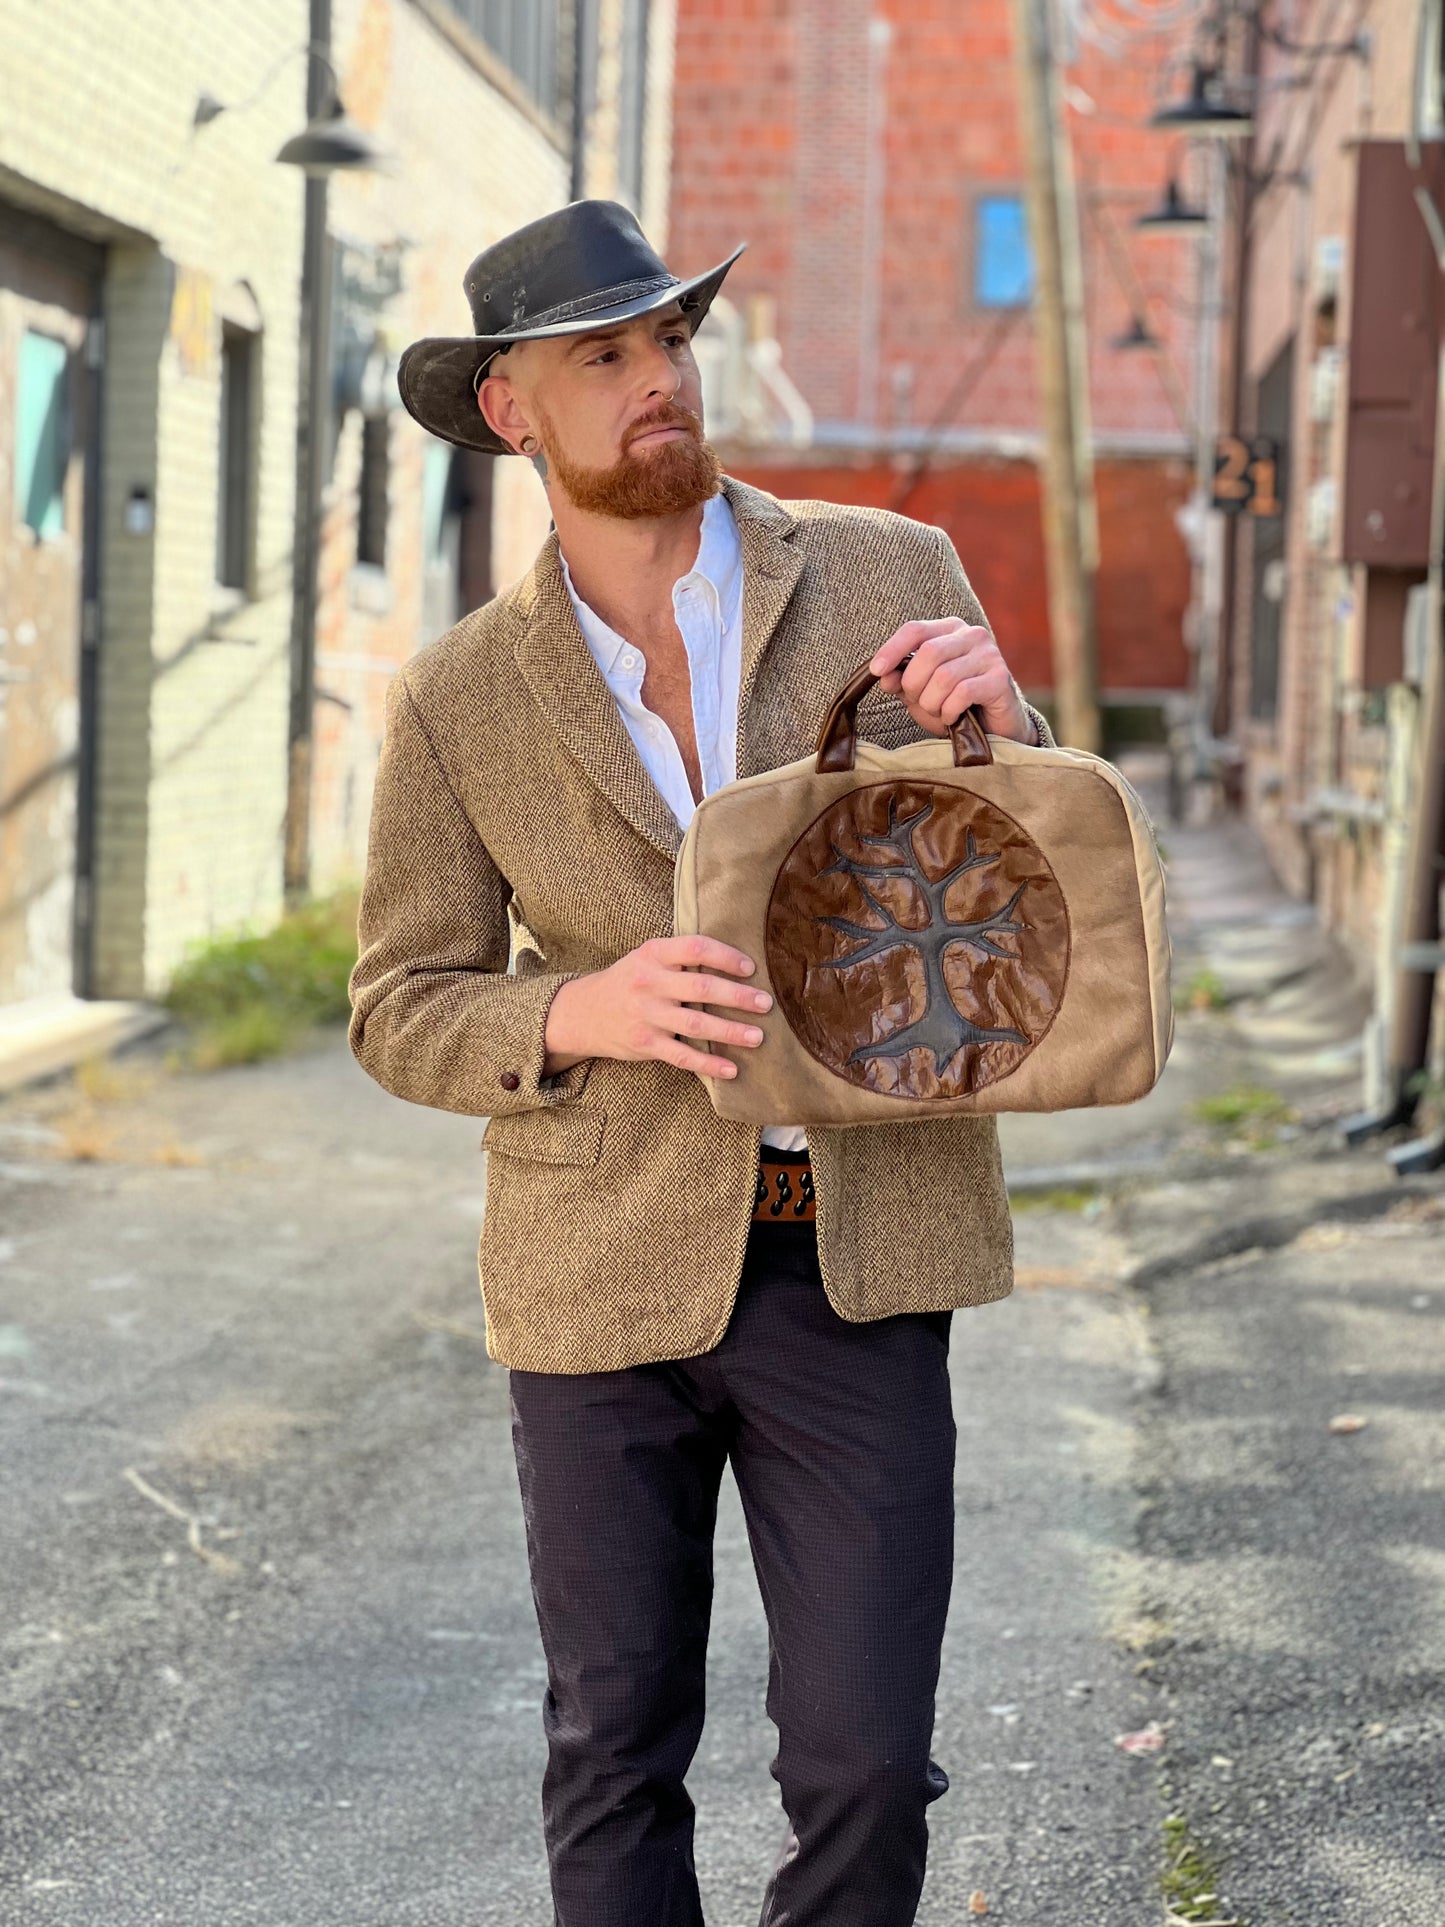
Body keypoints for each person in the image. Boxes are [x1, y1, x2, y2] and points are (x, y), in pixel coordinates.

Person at [349, 200, 1057, 1927]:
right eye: (605, 355)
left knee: (865, 1760)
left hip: (859, 1245)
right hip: (595, 1275)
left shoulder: (889, 573)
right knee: (612, 1740)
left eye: (668, 339)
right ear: (512, 410)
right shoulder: (456, 696)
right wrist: (566, 1015)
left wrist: (1008, 726)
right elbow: (396, 1002)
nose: (658, 378)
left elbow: (1021, 875)